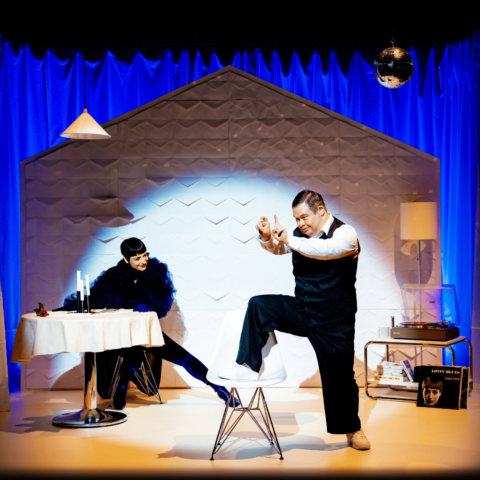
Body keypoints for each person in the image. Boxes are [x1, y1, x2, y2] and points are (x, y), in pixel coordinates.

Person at [218, 190, 370, 450]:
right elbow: (280, 248)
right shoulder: (299, 234)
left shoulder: (346, 234)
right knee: (259, 305)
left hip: (335, 320)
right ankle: (249, 366)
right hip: (303, 310)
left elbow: (325, 250)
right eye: (296, 219)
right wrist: (267, 237)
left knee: (341, 378)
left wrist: (289, 238)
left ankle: (352, 429)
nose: (300, 224)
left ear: (320, 210)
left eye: (304, 217)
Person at [57, 237, 236, 410]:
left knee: (182, 357)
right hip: (122, 334)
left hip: (147, 331)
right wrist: (63, 309)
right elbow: (95, 299)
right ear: (126, 259)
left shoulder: (156, 271)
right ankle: (121, 385)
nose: (143, 260)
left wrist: (149, 306)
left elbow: (162, 300)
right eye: (137, 258)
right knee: (135, 352)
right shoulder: (113, 276)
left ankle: (219, 389)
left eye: (145, 255)